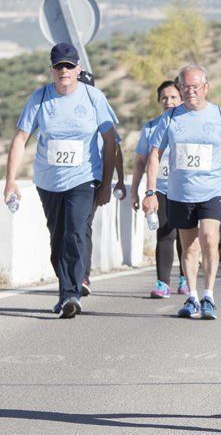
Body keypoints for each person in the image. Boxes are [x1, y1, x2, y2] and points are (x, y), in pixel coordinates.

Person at [3, 43, 118, 318]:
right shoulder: (40, 98)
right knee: (57, 238)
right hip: (48, 182)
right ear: (52, 69)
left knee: (75, 231)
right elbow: (21, 138)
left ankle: (71, 294)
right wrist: (10, 180)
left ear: (78, 69)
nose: (63, 71)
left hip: (83, 178)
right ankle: (65, 289)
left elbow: (110, 140)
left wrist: (106, 183)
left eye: (68, 65)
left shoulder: (93, 97)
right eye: (58, 66)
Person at [142, 65, 221, 320]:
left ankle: (209, 295)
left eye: (195, 87)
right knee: (188, 247)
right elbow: (154, 154)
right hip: (180, 193)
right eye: (185, 87)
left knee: (210, 238)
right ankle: (192, 296)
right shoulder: (170, 118)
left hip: (211, 190)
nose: (190, 92)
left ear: (206, 88)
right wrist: (150, 191)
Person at [131, 80, 188, 298]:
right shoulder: (151, 127)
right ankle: (163, 283)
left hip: (184, 188)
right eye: (164, 98)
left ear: (181, 98)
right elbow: (140, 162)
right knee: (165, 234)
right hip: (160, 188)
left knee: (185, 235)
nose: (169, 101)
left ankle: (185, 278)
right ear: (158, 101)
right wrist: (138, 190)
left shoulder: (187, 124)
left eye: (173, 97)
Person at [79, 70, 127, 297]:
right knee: (68, 229)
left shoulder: (100, 113)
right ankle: (71, 274)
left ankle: (82, 276)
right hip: (64, 182)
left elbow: (115, 149)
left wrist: (117, 181)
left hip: (94, 179)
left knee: (82, 226)